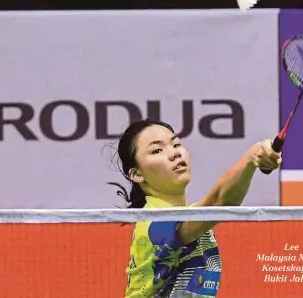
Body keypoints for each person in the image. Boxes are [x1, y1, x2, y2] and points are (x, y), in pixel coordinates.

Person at [110, 119, 282, 298]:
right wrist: (252, 156)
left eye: (176, 144)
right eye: (157, 150)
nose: (174, 153)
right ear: (137, 174)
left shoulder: (190, 216)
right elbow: (219, 202)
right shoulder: (155, 223)